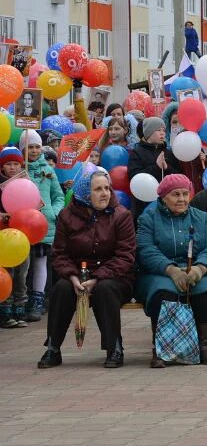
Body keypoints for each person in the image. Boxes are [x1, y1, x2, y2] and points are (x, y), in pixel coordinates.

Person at [37, 170, 136, 369]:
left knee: (105, 290)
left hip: (114, 276)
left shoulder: (121, 215)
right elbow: (60, 253)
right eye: (98, 189)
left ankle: (114, 348)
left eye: (107, 188)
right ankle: (53, 349)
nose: (104, 193)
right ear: (84, 193)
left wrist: (96, 279)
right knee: (61, 290)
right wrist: (73, 277)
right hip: (77, 274)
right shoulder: (67, 215)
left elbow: (125, 256)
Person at [136, 174, 207, 367]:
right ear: (163, 197)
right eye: (176, 194)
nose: (182, 199)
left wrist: (200, 268)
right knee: (164, 292)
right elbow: (146, 250)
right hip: (160, 271)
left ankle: (204, 346)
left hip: (195, 267)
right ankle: (161, 349)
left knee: (205, 291)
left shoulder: (200, 217)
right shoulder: (148, 218)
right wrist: (171, 270)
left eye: (185, 193)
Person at [21, 130, 65, 322]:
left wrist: (53, 212)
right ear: (23, 148)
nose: (34, 150)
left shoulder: (48, 170)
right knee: (22, 266)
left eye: (37, 146)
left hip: (43, 223)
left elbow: (59, 196)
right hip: (21, 223)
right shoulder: (18, 170)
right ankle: (20, 300)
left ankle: (38, 300)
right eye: (30, 147)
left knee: (39, 262)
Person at [0, 147, 31, 328]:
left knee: (22, 273)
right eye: (8, 164)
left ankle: (20, 307)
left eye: (16, 164)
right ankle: (6, 308)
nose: (12, 168)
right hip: (4, 238)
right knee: (7, 273)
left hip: (22, 237)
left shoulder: (26, 184)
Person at [127, 117, 180, 220]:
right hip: (143, 204)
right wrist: (156, 167)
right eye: (158, 130)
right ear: (149, 133)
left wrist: (166, 168)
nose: (162, 133)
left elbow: (178, 174)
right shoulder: (137, 152)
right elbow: (134, 176)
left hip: (167, 202)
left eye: (164, 130)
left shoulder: (168, 152)